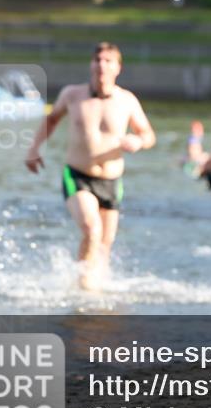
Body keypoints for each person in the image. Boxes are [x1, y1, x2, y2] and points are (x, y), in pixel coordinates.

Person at [25, 42, 156, 290]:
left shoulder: (127, 100)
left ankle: (96, 291)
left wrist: (138, 141)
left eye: (108, 61)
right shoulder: (72, 94)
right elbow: (51, 120)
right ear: (91, 64)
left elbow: (149, 135)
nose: (101, 65)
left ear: (118, 67)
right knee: (91, 229)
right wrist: (33, 149)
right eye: (97, 60)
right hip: (77, 175)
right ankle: (82, 288)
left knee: (105, 243)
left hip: (111, 181)